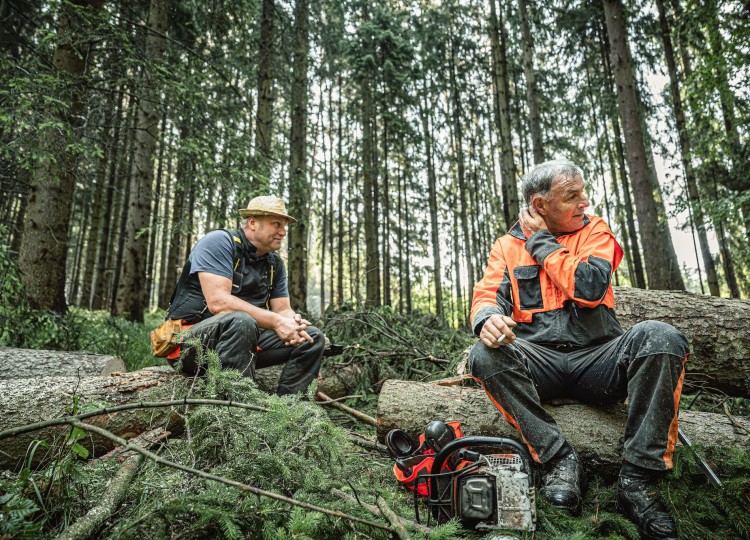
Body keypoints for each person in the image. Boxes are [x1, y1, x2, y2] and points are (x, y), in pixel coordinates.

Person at [468, 160, 688, 539]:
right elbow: (487, 296)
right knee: (483, 354)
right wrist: (488, 319)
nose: (585, 201)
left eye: (583, 191)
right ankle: (559, 459)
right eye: (572, 196)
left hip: (598, 360)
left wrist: (541, 243)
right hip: (540, 363)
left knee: (662, 338)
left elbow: (588, 287)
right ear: (540, 205)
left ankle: (637, 481)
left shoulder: (595, 231)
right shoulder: (506, 246)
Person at [164, 195, 324, 396]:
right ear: (253, 222)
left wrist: (295, 324)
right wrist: (276, 322)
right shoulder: (219, 242)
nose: (283, 232)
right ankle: (240, 412)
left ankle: (292, 413)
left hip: (245, 340)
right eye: (277, 224)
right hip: (189, 343)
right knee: (241, 321)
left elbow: (282, 308)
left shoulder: (274, 264)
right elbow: (219, 303)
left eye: (285, 226)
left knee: (312, 337)